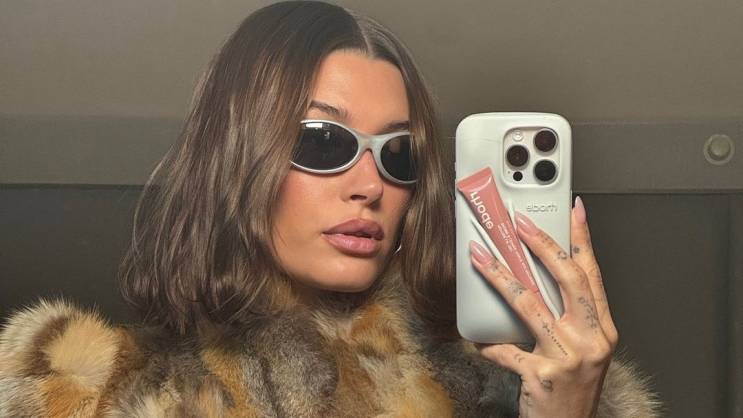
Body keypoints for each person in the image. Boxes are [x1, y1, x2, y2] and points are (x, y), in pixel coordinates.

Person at [0, 1, 662, 416]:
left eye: (398, 154)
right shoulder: (90, 392)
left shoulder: (493, 391)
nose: (370, 184)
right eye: (324, 142)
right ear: (235, 154)